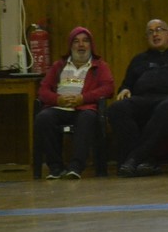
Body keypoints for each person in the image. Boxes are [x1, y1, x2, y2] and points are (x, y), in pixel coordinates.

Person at [109, 19, 168, 177]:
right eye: (150, 31)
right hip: (142, 99)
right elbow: (127, 84)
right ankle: (145, 160)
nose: (155, 34)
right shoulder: (139, 60)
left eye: (159, 29)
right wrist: (125, 89)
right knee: (116, 108)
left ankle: (134, 159)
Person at [34, 26, 115, 179]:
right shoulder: (59, 66)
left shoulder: (100, 66)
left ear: (91, 45)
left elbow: (108, 88)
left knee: (87, 118)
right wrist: (57, 99)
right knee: (43, 118)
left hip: (84, 108)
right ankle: (56, 168)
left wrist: (83, 98)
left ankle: (76, 167)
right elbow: (43, 90)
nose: (81, 45)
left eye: (85, 41)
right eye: (76, 41)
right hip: (59, 107)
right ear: (70, 45)